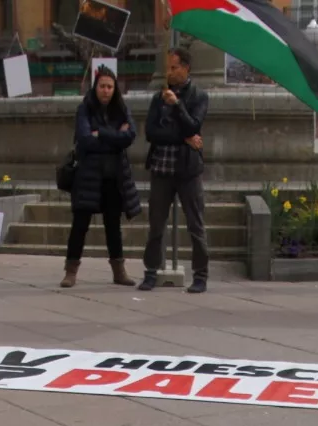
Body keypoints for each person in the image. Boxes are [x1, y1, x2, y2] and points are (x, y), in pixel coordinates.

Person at [64, 66, 141, 288]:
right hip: (88, 176)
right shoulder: (85, 109)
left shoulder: (121, 109)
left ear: (115, 88)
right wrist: (115, 137)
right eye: (102, 86)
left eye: (109, 86)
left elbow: (130, 135)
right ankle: (70, 271)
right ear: (95, 87)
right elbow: (85, 139)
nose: (106, 90)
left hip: (113, 177)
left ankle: (119, 271)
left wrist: (103, 134)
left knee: (113, 226)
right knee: (80, 225)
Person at [140, 47, 209, 294]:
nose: (169, 72)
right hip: (161, 168)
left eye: (174, 67)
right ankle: (150, 272)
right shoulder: (158, 98)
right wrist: (184, 139)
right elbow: (151, 133)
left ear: (186, 68)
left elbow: (194, 125)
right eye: (168, 67)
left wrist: (178, 105)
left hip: (187, 170)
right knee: (156, 224)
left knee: (195, 224)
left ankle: (200, 276)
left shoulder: (198, 96)